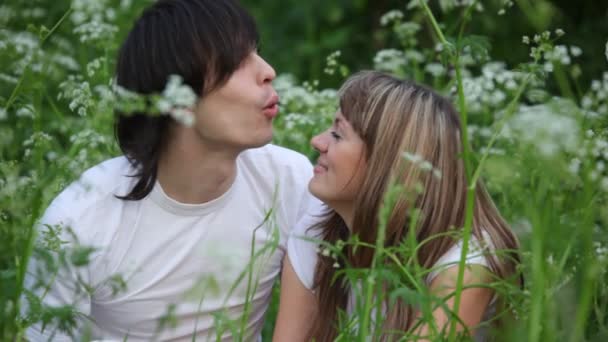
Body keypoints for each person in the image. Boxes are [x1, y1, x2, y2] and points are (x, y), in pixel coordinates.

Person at [24, 0, 316, 340]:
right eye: (237, 60)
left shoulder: (289, 179)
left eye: (258, 53)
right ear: (176, 98)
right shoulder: (77, 224)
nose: (268, 71)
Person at [273, 71, 522, 341]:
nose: (318, 141)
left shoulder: (466, 262)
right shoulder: (315, 234)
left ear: (387, 162)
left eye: (337, 133)